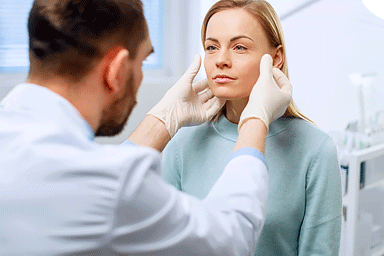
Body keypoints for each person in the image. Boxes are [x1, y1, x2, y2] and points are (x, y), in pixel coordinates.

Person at [0, 0, 293, 255]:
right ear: (115, 70)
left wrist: (164, 120)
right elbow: (231, 240)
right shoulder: (110, 184)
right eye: (142, 62)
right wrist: (256, 119)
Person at [162, 0, 342, 255]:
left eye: (239, 47)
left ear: (276, 58)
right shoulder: (182, 143)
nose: (220, 60)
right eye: (212, 47)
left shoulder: (315, 150)